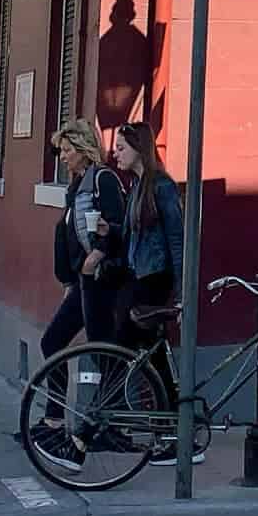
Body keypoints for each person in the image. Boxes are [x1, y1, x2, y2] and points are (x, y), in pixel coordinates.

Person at [111, 119, 191, 454]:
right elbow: (133, 238)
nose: (114, 154)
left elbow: (177, 239)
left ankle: (164, 427)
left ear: (138, 149)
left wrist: (183, 292)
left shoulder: (162, 187)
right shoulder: (137, 186)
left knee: (131, 347)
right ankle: (168, 428)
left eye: (120, 148)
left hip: (155, 280)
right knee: (147, 353)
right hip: (138, 276)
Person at [41, 119, 127, 360]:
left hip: (100, 279)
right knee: (52, 343)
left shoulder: (103, 179)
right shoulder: (77, 186)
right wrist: (69, 281)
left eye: (68, 150)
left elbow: (117, 225)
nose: (63, 157)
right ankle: (54, 400)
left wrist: (94, 258)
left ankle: (112, 398)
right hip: (82, 281)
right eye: (61, 151)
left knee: (101, 352)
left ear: (84, 149)